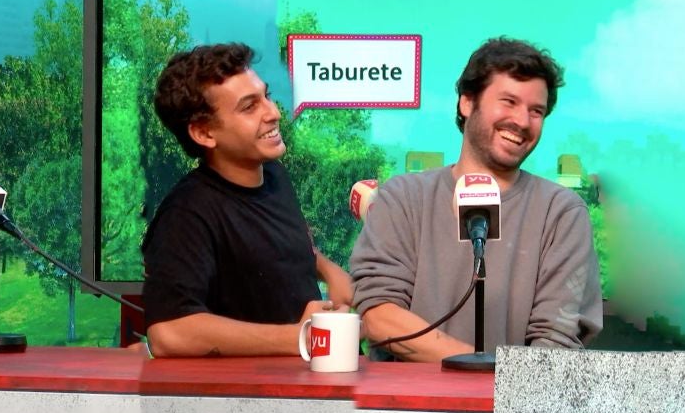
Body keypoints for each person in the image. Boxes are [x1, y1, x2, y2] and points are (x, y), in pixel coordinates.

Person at [350, 37, 603, 362]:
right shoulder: (402, 199)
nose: (522, 121)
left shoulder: (562, 213)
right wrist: (477, 368)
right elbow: (380, 317)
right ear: (467, 103)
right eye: (509, 102)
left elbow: (555, 346)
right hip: (413, 398)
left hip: (511, 396)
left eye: (536, 111)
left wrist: (487, 378)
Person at [142, 43, 352, 357]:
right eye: (249, 107)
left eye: (266, 96)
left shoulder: (274, 175)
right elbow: (169, 333)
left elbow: (269, 246)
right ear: (204, 133)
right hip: (254, 388)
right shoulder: (186, 215)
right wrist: (300, 337)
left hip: (308, 379)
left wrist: (327, 269)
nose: (274, 113)